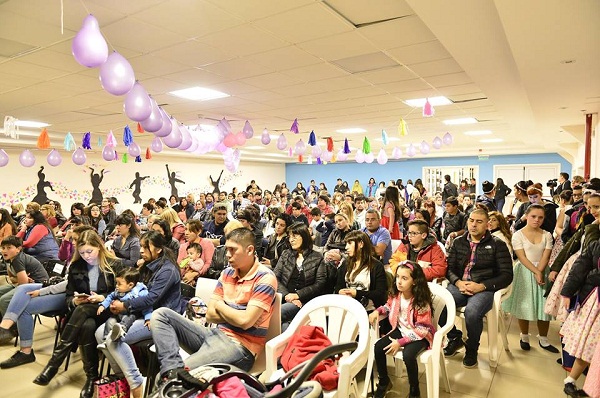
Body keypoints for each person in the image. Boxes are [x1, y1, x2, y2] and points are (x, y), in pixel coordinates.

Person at [150, 228, 277, 384]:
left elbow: (245, 321)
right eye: (226, 249)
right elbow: (210, 315)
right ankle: (173, 368)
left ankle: (173, 375)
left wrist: (220, 305)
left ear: (250, 250)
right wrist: (235, 312)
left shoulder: (265, 277)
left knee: (165, 381)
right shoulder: (227, 273)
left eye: (233, 250)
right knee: (161, 315)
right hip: (213, 334)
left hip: (239, 348)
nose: (228, 254)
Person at [33, 230, 120, 398]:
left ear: (99, 247)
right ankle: (91, 377)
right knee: (86, 323)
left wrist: (104, 298)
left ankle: (54, 364)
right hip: (85, 313)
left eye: (90, 251)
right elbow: (68, 297)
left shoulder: (114, 265)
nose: (86, 256)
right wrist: (74, 301)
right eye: (82, 252)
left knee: (83, 311)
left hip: (108, 310)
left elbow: (122, 294)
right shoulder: (76, 267)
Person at [96, 231, 183, 398]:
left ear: (157, 249)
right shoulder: (147, 265)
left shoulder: (168, 270)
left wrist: (125, 305)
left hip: (159, 318)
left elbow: (151, 298)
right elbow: (133, 288)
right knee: (100, 334)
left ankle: (135, 381)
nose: (141, 250)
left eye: (145, 247)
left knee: (113, 339)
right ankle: (122, 377)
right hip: (141, 313)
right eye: (141, 246)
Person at [0, 225, 93, 368]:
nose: (72, 243)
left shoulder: (89, 259)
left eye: (75, 240)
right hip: (59, 285)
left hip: (69, 294)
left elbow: (69, 285)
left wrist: (44, 291)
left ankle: (24, 350)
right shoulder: (77, 256)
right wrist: (66, 240)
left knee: (24, 307)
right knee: (23, 288)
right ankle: (7, 323)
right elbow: (63, 261)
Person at [443, 209, 513, 368]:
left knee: (472, 312)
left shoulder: (497, 245)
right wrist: (458, 282)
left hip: (484, 288)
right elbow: (449, 269)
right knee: (438, 304)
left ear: (487, 224)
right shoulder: (459, 242)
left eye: (479, 221)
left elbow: (507, 275)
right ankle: (455, 338)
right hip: (460, 284)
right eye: (471, 220)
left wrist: (481, 286)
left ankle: (472, 348)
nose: (473, 224)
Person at [369, 261, 435, 398]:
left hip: (419, 334)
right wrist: (378, 311)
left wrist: (401, 342)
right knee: (378, 347)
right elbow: (388, 306)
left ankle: (414, 389)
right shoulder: (396, 294)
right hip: (401, 329)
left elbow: (422, 329)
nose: (399, 282)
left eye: (404, 278)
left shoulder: (421, 301)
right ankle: (384, 381)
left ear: (415, 281)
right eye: (397, 277)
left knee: (408, 355)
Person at [501, 205, 558, 353]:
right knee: (524, 305)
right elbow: (522, 257)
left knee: (544, 306)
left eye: (540, 217)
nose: (537, 220)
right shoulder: (518, 235)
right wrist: (535, 271)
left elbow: (546, 256)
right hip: (524, 271)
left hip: (543, 271)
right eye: (533, 216)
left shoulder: (547, 235)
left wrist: (540, 272)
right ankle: (524, 336)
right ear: (526, 216)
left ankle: (543, 339)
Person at [559, 234, 600, 398]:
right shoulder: (596, 245)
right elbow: (579, 269)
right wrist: (567, 292)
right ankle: (571, 379)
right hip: (595, 301)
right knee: (589, 342)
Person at [273, 222, 326, 331]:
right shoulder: (286, 254)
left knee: (278, 313)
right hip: (285, 298)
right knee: (284, 325)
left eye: (295, 236)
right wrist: (288, 296)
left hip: (306, 301)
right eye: (290, 237)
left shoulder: (317, 257)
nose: (291, 240)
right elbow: (275, 277)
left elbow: (320, 283)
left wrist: (298, 295)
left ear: (304, 236)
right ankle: (288, 347)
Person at [335, 230, 387, 312]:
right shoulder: (346, 263)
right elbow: (338, 286)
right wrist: (340, 291)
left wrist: (356, 293)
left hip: (368, 310)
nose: (346, 247)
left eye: (350, 243)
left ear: (361, 244)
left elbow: (380, 294)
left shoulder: (376, 266)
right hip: (347, 309)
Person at [96, 267, 151, 344]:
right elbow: (110, 296)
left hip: (132, 313)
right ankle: (105, 340)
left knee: (128, 319)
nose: (116, 286)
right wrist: (103, 305)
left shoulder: (141, 293)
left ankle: (121, 329)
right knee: (110, 321)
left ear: (130, 285)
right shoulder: (118, 291)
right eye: (116, 283)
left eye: (119, 284)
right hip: (119, 313)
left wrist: (148, 318)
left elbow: (147, 306)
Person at [0, 236, 48, 317]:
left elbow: (23, 283)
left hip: (39, 285)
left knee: (4, 300)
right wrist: (18, 279)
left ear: (18, 249)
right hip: (25, 284)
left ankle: (11, 328)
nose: (4, 250)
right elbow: (12, 278)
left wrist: (20, 279)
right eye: (3, 247)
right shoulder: (8, 257)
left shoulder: (18, 260)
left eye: (9, 248)